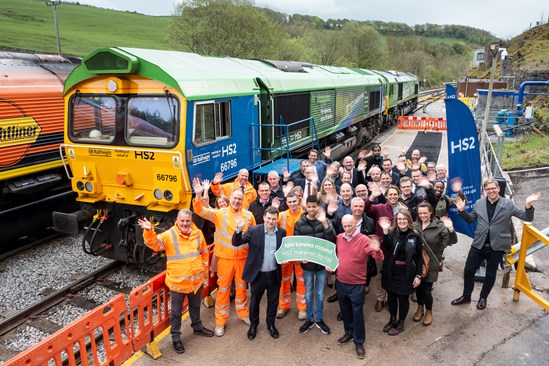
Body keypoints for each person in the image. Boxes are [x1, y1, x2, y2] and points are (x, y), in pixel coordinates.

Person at [451, 179, 540, 310]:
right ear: (484, 191)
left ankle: (483, 298)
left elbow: (526, 217)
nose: (491, 191)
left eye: (493, 188)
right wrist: (462, 210)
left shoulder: (508, 204)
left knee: (490, 274)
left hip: (497, 246)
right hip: (479, 244)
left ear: (498, 189)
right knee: (468, 270)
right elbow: (470, 219)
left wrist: (528, 204)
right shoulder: (479, 203)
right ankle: (466, 296)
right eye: (488, 189)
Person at [138, 209, 213, 354]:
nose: (185, 223)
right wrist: (149, 231)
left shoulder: (197, 233)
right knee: (176, 312)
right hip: (178, 283)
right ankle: (176, 338)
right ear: (177, 221)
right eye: (182, 221)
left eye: (188, 221)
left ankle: (197, 327)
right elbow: (154, 244)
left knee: (195, 306)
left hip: (196, 281)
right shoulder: (169, 235)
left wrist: (204, 271)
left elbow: (204, 253)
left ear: (191, 221)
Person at [193, 179, 256, 337]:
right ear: (230, 199)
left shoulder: (248, 216)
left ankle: (243, 314)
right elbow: (201, 211)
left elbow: (254, 236)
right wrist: (199, 194)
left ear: (243, 201)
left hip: (242, 259)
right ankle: (220, 322)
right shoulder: (219, 214)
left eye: (239, 199)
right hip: (225, 260)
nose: (236, 201)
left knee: (242, 288)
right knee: (223, 290)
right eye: (234, 198)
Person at [232, 206, 286, 340]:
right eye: (268, 218)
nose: (271, 221)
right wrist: (238, 229)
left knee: (273, 302)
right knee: (255, 302)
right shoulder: (254, 230)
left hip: (274, 274)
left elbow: (285, 251)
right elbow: (236, 242)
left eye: (274, 219)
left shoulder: (282, 233)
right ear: (264, 217)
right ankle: (253, 326)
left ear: (277, 219)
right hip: (258, 275)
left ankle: (271, 325)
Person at [334, 215, 383, 359]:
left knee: (357, 314)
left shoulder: (364, 239)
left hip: (357, 284)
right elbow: (335, 255)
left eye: (350, 226)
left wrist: (378, 250)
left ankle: (359, 341)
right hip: (341, 282)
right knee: (345, 310)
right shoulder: (339, 238)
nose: (347, 229)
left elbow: (379, 258)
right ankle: (348, 333)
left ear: (355, 223)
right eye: (345, 226)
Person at [294, 195, 336, 335]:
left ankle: (319, 319)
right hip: (307, 267)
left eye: (314, 206)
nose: (312, 209)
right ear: (306, 206)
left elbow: (332, 239)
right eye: (309, 206)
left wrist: (324, 224)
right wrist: (300, 258)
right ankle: (309, 319)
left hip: (321, 266)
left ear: (318, 207)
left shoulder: (325, 221)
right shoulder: (299, 223)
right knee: (308, 293)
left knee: (319, 294)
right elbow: (297, 245)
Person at [378, 209, 422, 336]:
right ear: (396, 221)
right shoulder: (392, 233)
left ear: (409, 220)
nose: (402, 221)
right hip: (391, 270)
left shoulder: (415, 236)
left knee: (403, 299)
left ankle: (401, 323)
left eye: (404, 219)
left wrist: (418, 275)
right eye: (399, 219)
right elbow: (386, 246)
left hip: (406, 272)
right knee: (391, 297)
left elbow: (419, 257)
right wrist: (385, 231)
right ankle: (392, 319)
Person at [413, 203, 457, 326]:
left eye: (425, 213)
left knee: (427, 289)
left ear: (431, 212)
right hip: (417, 262)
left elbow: (452, 241)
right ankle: (420, 307)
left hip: (432, 262)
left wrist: (451, 229)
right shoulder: (415, 225)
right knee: (418, 288)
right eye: (420, 213)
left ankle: (428, 311)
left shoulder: (439, 227)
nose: (422, 215)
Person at [366, 185, 407, 313]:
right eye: (390, 194)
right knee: (380, 274)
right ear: (387, 196)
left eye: (395, 194)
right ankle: (380, 298)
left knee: (393, 274)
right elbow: (367, 209)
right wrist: (372, 196)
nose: (393, 196)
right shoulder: (380, 208)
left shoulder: (404, 210)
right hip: (383, 248)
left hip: (398, 249)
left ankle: (390, 298)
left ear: (398, 195)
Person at [276, 193, 307, 320]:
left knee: (301, 281)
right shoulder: (282, 216)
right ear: (286, 202)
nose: (292, 204)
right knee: (284, 281)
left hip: (300, 254)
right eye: (290, 202)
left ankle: (302, 308)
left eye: (294, 201)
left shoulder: (305, 214)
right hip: (286, 254)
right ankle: (284, 305)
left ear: (298, 200)